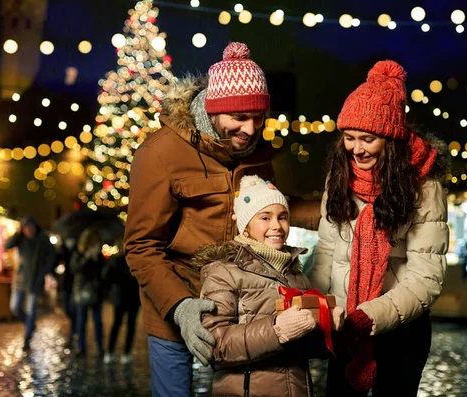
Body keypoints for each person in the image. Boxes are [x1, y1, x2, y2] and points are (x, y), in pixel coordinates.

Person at [124, 42, 277, 396]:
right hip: (176, 309)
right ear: (212, 110)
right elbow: (140, 246)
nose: (251, 130)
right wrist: (180, 307)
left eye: (258, 118)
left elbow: (271, 206)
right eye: (239, 118)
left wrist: (340, 205)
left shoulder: (253, 150)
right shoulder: (159, 153)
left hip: (240, 313)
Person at [308, 60, 450, 396]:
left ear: (390, 140)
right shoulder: (339, 178)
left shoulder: (424, 189)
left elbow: (425, 279)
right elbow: (327, 251)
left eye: (367, 139)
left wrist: (368, 317)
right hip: (344, 326)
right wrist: (315, 302)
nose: (356, 149)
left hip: (401, 329)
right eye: (349, 137)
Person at [195, 175, 344, 396]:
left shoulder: (295, 273)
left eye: (282, 217)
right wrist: (276, 330)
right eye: (265, 218)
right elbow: (214, 345)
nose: (277, 226)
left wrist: (326, 328)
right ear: (245, 225)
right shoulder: (223, 272)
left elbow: (302, 349)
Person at [5, 215, 56, 351]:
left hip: (35, 279)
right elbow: (7, 245)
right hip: (20, 279)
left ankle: (27, 338)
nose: (29, 230)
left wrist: (45, 271)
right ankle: (30, 325)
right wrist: (17, 234)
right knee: (15, 307)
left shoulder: (42, 239)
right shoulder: (20, 239)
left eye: (31, 227)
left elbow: (52, 257)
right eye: (26, 228)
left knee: (31, 309)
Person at [103, 237, 141, 364]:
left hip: (133, 297)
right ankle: (111, 351)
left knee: (130, 325)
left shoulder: (135, 261)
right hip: (121, 297)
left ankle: (125, 352)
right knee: (117, 324)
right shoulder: (117, 261)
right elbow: (108, 278)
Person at [70, 228, 106, 357]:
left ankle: (100, 346)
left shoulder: (99, 256)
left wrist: (96, 259)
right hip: (82, 291)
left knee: (97, 320)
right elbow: (75, 269)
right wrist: (86, 258)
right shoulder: (79, 254)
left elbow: (103, 274)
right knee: (82, 320)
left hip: (96, 292)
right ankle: (81, 347)